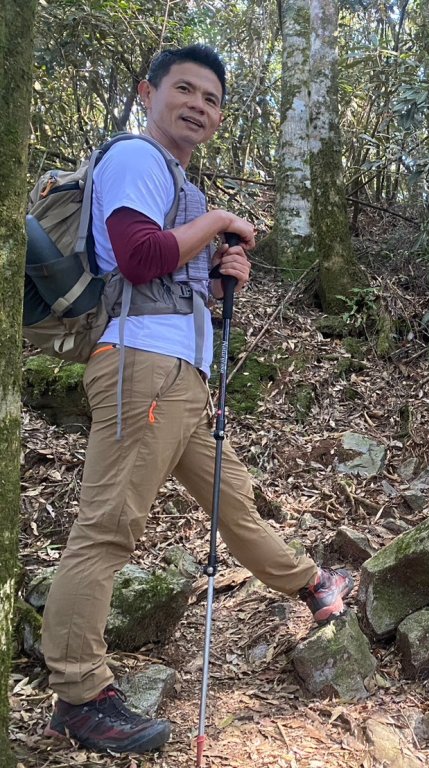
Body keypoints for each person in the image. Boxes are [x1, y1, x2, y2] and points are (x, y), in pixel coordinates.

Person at [41, 44, 353, 755]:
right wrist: (218, 223)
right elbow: (137, 256)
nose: (198, 106)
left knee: (231, 500)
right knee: (107, 531)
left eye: (210, 99)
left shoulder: (171, 177)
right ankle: (79, 695)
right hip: (145, 371)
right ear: (147, 92)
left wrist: (215, 279)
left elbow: (161, 275)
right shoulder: (136, 157)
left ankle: (311, 585)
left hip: (176, 377)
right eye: (184, 89)